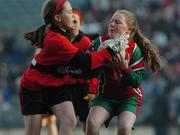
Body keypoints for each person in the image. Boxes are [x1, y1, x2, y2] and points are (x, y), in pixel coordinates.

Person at [19, 1, 129, 135]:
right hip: (34, 87)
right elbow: (88, 62)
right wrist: (113, 48)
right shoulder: (56, 39)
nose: (73, 15)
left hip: (56, 83)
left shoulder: (64, 33)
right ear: (57, 18)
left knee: (70, 120)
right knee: (33, 132)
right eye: (69, 12)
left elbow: (88, 62)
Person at [85, 10, 164, 135]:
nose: (112, 24)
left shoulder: (134, 50)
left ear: (130, 31)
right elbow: (87, 67)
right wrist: (99, 60)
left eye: (117, 22)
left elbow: (136, 81)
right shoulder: (99, 43)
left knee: (124, 128)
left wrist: (125, 68)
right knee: (92, 122)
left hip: (129, 97)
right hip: (106, 95)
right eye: (111, 21)